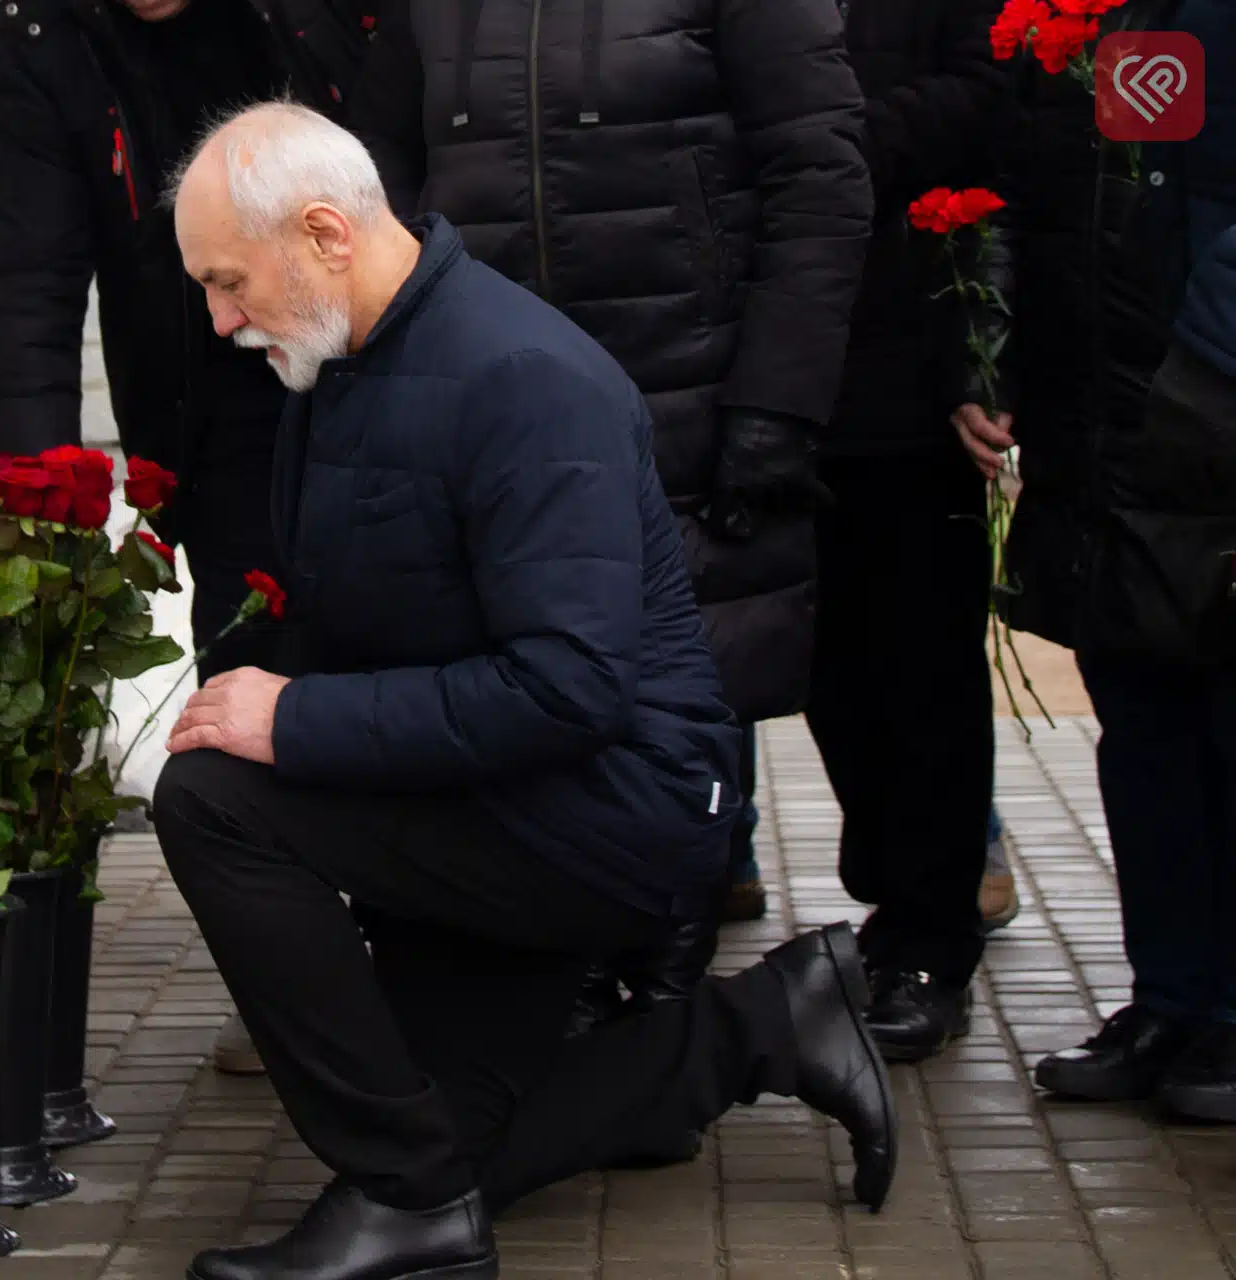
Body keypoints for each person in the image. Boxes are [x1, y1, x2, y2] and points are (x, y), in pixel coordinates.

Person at [151, 103, 897, 1280]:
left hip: (604, 811)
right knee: (461, 1144)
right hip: (489, 791)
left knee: (211, 798)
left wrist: (291, 719)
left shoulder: (523, 379)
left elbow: (569, 687)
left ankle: (404, 1200)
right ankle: (768, 1021)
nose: (221, 318)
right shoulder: (342, 359)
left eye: (228, 281)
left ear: (326, 234)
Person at [348, 0, 875, 975]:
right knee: (531, 682)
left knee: (679, 697)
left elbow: (820, 175)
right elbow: (378, 183)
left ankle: (660, 993)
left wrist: (777, 398)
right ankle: (573, 990)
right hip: (499, 401)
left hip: (688, 384)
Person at [0, 0, 372, 1079]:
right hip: (208, 430)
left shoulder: (310, 15)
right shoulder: (43, 40)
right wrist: (38, 501)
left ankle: (423, 965)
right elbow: (26, 283)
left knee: (395, 660)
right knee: (244, 688)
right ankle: (308, 989)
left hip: (369, 386)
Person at [961, 0, 1234, 1119]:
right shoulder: (1086, 20)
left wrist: (1204, 371)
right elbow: (1027, 197)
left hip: (1206, 415)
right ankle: (1174, 997)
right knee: (1145, 728)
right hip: (1106, 431)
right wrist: (992, 360)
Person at [802, 0, 1010, 1063]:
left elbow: (991, 92)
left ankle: (930, 939)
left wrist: (818, 134)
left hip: (912, 355)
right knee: (828, 669)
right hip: (783, 354)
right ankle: (892, 901)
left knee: (924, 670)